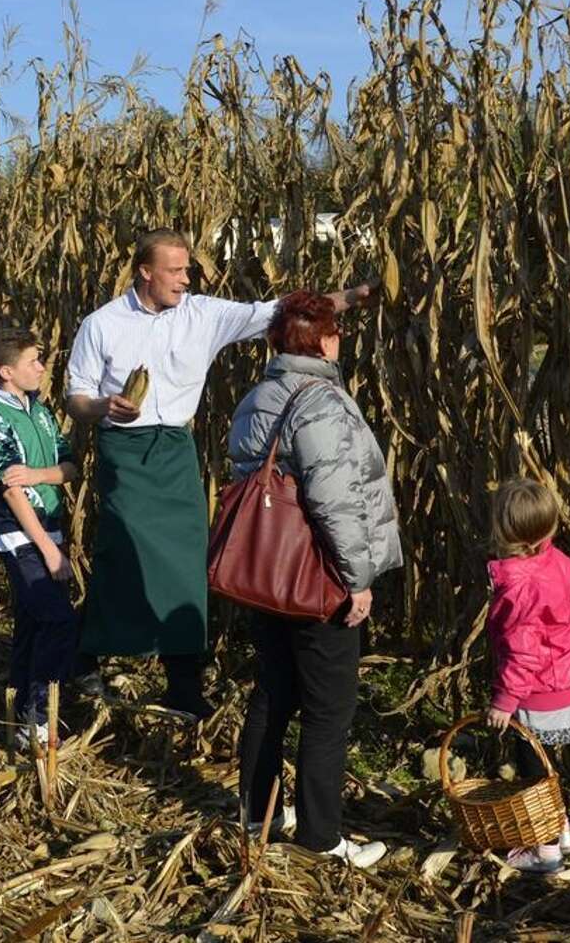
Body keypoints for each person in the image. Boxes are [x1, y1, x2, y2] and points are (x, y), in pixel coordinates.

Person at [65, 229, 372, 718]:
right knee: (125, 555)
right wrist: (104, 405)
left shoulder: (204, 314)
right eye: (175, 271)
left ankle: (181, 683)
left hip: (174, 448)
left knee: (188, 562)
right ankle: (84, 659)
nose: (186, 279)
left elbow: (280, 310)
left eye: (187, 270)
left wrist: (351, 297)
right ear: (145, 272)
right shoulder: (101, 324)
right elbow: (75, 397)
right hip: (123, 450)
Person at [227, 290, 401, 868]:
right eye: (335, 333)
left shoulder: (257, 396)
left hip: (265, 574)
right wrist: (357, 578)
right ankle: (322, 837)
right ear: (324, 340)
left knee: (273, 692)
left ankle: (259, 811)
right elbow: (334, 501)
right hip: (314, 576)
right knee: (329, 709)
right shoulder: (322, 400)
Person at [0, 326, 80, 749]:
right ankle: (38, 717)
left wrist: (38, 474)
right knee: (58, 621)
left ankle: (17, 715)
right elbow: (12, 492)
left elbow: (68, 468)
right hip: (20, 536)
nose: (42, 366)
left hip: (48, 527)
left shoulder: (41, 411)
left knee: (33, 624)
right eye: (33, 360)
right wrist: (50, 551)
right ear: (6, 371)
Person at [485, 478, 570, 874]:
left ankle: (545, 851)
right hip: (566, 685)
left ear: (504, 531)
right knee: (547, 768)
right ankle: (559, 828)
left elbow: (524, 652)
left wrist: (504, 701)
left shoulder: (521, 584)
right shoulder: (560, 563)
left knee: (532, 774)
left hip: (537, 696)